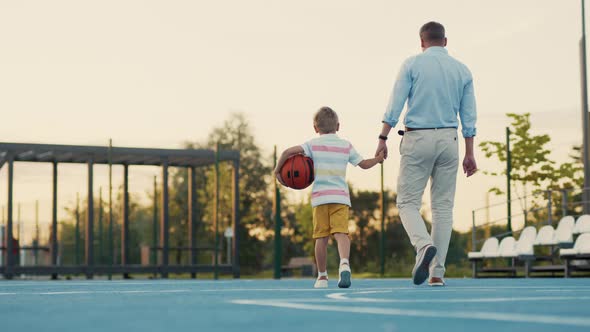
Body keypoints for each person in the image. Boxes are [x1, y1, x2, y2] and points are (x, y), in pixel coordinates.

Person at [375, 21, 478, 286]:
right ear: (445, 41)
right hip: (449, 139)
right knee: (443, 208)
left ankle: (423, 246)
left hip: (417, 136)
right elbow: (469, 117)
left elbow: (395, 104)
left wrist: (383, 137)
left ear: (422, 42)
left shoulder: (411, 64)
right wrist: (470, 153)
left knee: (407, 203)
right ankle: (436, 274)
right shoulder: (462, 70)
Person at [275, 106, 384, 288]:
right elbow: (364, 164)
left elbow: (287, 152)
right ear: (338, 126)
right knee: (341, 234)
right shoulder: (345, 145)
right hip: (340, 198)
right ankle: (344, 264)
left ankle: (322, 277)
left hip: (320, 199)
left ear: (315, 128)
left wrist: (278, 171)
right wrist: (378, 159)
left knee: (321, 239)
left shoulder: (312, 145)